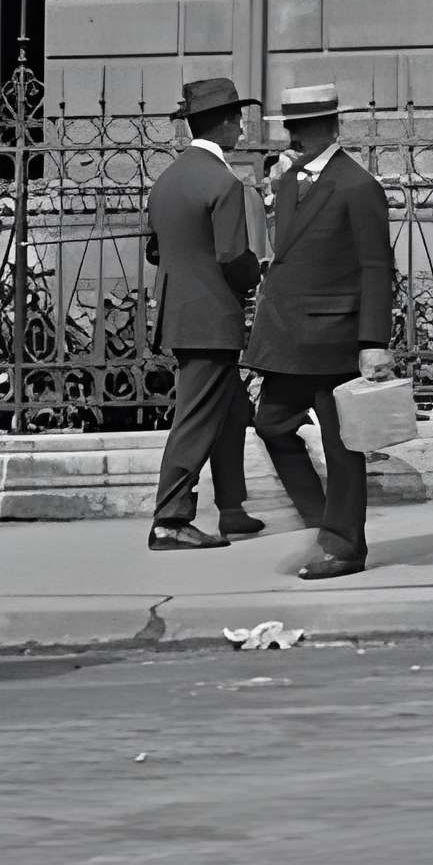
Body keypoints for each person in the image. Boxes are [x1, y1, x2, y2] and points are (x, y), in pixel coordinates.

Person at [241, 84, 397, 581]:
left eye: (306, 127)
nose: (297, 136)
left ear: (332, 127)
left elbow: (377, 267)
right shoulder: (287, 183)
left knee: (343, 444)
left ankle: (344, 545)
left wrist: (375, 342)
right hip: (288, 337)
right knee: (271, 424)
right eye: (291, 127)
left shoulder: (357, 185)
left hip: (336, 338)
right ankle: (321, 515)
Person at [140, 74, 297, 550]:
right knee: (194, 418)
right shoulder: (223, 182)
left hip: (181, 314)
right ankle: (170, 518)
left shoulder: (167, 180)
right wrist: (261, 272)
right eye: (239, 120)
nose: (243, 129)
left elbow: (154, 251)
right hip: (212, 320)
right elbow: (234, 258)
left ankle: (231, 509)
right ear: (226, 125)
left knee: (231, 413)